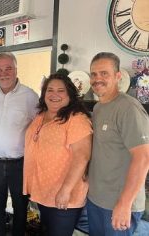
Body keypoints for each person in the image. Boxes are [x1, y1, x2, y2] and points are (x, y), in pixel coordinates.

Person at [87, 52, 149, 235]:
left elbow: (144, 158)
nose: (98, 79)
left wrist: (124, 203)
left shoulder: (128, 108)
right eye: (94, 74)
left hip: (118, 205)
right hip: (96, 200)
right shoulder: (98, 108)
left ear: (117, 76)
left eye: (104, 73)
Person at [23, 74, 92, 235]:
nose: (55, 94)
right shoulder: (41, 116)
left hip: (64, 196)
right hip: (44, 192)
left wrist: (66, 190)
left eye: (61, 90)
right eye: (50, 90)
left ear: (70, 95)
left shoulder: (76, 119)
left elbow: (81, 157)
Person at [0, 52, 39, 235]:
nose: (3, 73)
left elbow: (41, 126)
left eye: (8, 68)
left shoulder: (29, 96)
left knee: (20, 206)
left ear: (16, 69)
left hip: (20, 163)